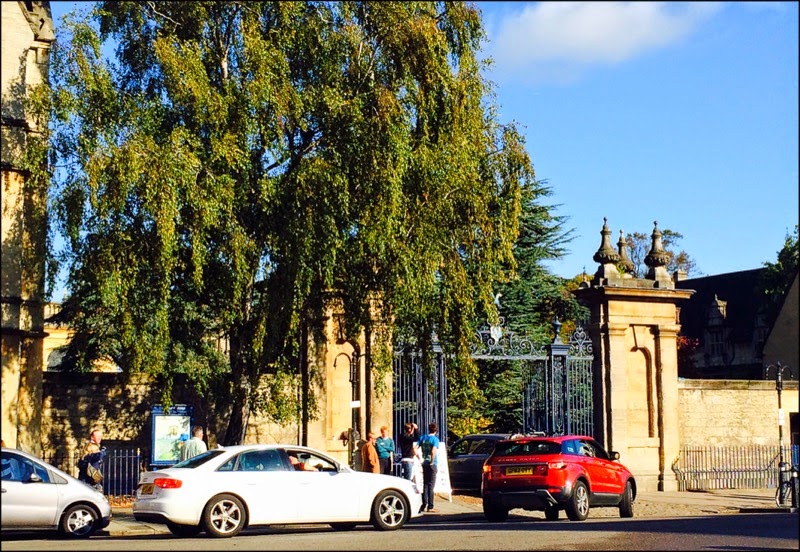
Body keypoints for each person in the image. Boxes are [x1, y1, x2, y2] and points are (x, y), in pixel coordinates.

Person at [419, 422, 440, 512]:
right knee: (431, 485)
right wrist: (432, 461)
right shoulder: (435, 439)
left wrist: (420, 458)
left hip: (425, 462)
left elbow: (414, 448)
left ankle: (424, 504)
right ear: (436, 430)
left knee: (425, 484)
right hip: (432, 463)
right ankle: (430, 506)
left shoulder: (423, 438)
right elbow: (433, 451)